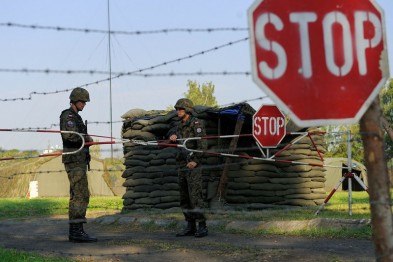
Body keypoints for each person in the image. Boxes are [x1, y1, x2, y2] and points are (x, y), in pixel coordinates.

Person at [60, 87, 97, 243]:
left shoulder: (77, 117)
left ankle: (76, 230)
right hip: (74, 160)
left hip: (79, 160)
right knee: (80, 195)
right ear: (75, 100)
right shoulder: (68, 116)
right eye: (82, 101)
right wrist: (86, 138)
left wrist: (86, 138)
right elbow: (70, 135)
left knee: (78, 195)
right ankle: (76, 232)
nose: (84, 104)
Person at [169, 98, 208, 238]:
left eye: (181, 109)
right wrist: (172, 136)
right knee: (184, 198)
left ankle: (202, 226)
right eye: (177, 109)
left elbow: (202, 145)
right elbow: (170, 134)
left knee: (195, 197)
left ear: (188, 110)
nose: (178, 111)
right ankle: (190, 225)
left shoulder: (196, 124)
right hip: (182, 165)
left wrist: (195, 161)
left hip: (193, 165)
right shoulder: (178, 126)